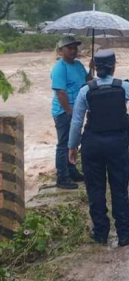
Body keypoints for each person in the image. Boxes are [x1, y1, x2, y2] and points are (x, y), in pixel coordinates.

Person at [68, 50, 129, 246]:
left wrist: (72, 146)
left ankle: (101, 233)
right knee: (119, 189)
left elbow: (77, 122)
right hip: (117, 144)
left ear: (94, 67)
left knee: (95, 189)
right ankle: (125, 233)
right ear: (114, 66)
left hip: (92, 145)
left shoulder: (86, 90)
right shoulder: (124, 87)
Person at [50, 36, 91, 190]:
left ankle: (72, 171)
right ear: (61, 50)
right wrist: (70, 112)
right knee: (63, 145)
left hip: (77, 111)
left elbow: (88, 81)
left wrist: (91, 68)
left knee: (73, 142)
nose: (73, 51)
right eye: (70, 48)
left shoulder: (78, 65)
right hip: (64, 111)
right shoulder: (60, 68)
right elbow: (60, 93)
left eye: (75, 48)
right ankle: (62, 177)